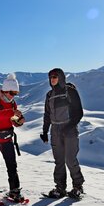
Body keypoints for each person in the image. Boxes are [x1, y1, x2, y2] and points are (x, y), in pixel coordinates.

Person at [41, 68, 85, 198]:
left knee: (70, 159)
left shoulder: (69, 91)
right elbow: (47, 115)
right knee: (59, 161)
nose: (52, 79)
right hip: (55, 130)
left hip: (69, 130)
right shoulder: (49, 95)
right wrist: (44, 131)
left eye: (55, 76)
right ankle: (60, 188)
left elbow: (79, 112)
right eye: (50, 77)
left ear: (61, 77)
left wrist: (69, 126)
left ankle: (78, 186)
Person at [0, 73, 25, 204]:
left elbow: (12, 120)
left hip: (7, 137)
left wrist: (18, 121)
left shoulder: (12, 103)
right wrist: (12, 113)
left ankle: (15, 190)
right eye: (12, 93)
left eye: (15, 93)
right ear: (5, 90)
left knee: (12, 164)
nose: (13, 96)